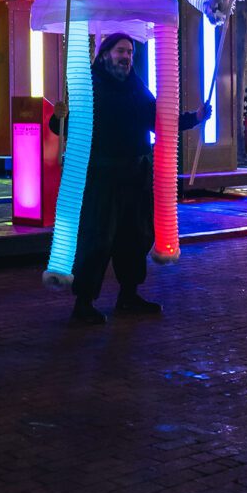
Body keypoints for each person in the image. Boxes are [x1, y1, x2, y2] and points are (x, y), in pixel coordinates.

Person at [50, 32, 211, 324]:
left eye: (130, 53)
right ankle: (83, 302)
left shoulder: (136, 86)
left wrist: (195, 117)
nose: (126, 57)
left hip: (135, 175)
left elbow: (158, 120)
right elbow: (62, 126)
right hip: (101, 176)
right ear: (105, 54)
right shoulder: (90, 85)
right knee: (97, 238)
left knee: (135, 237)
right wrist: (57, 116)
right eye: (121, 51)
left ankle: (128, 295)